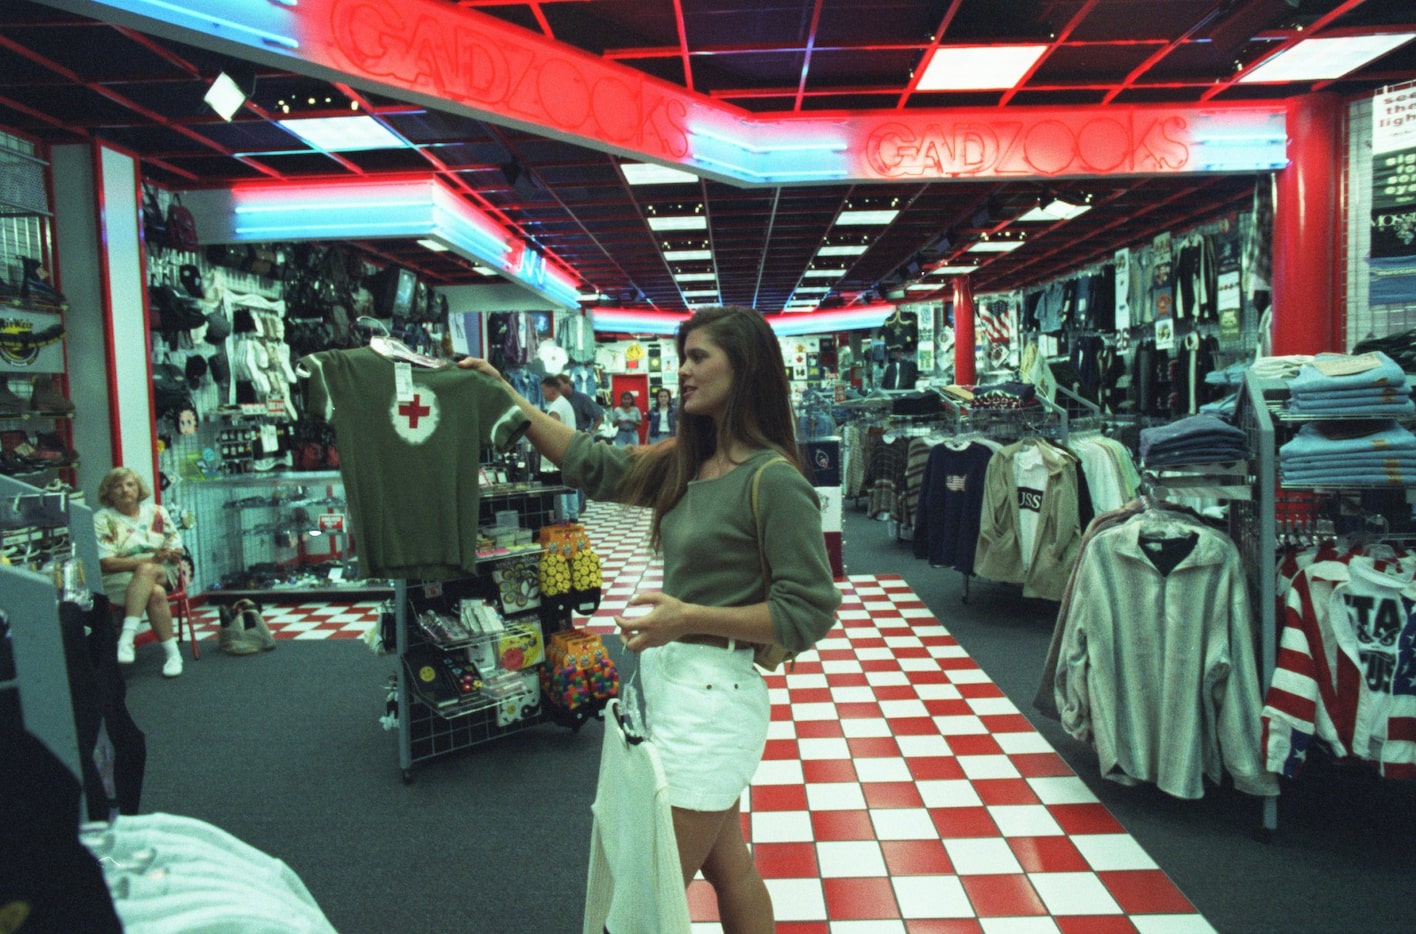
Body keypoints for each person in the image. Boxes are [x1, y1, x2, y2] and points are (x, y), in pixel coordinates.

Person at [461, 306, 839, 932]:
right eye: (682, 356)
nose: (683, 371)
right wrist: (507, 398)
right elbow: (593, 463)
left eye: (699, 357)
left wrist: (686, 616)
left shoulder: (774, 479)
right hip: (673, 689)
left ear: (743, 368)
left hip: (715, 703)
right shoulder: (690, 465)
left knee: (644, 896)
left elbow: (810, 610)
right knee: (728, 867)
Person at [94, 467, 185, 677]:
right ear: (108, 492)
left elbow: (175, 546)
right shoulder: (102, 519)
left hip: (164, 570)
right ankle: (174, 655)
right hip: (119, 577)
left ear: (139, 488)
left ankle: (126, 638)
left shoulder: (157, 512)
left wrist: (171, 553)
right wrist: (148, 560)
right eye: (118, 486)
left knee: (147, 569)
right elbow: (106, 563)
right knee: (155, 592)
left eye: (130, 484)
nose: (125, 490)